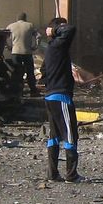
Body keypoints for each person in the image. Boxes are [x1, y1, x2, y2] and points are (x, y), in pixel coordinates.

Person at [42, 17, 82, 182]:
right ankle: (71, 175)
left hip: (50, 96)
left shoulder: (50, 49)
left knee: (54, 136)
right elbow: (70, 29)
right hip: (61, 97)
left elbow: (43, 71)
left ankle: (52, 174)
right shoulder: (59, 45)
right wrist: (55, 30)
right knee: (70, 134)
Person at [6, 12, 40, 96]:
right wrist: (35, 46)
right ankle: (33, 91)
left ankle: (18, 91)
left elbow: (4, 36)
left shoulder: (11, 26)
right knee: (30, 72)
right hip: (27, 52)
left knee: (17, 72)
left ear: (17, 18)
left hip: (15, 52)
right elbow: (38, 36)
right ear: (25, 18)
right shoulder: (30, 25)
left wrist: (8, 46)